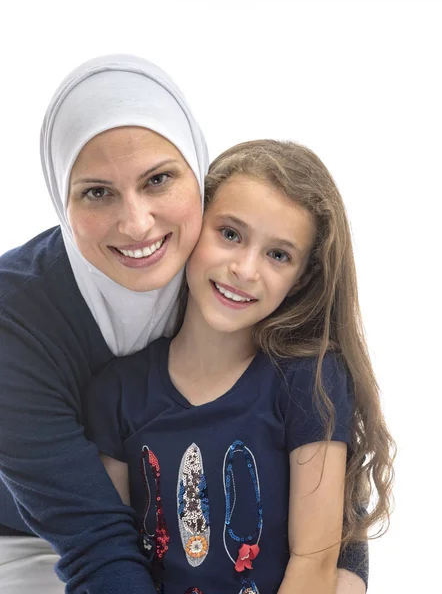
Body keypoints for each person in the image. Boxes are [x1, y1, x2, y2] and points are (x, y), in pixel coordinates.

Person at [0, 55, 369, 593]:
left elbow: (322, 505)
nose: (136, 223)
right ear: (61, 197)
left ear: (197, 181)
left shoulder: (214, 271)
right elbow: (96, 544)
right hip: (37, 535)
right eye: (96, 191)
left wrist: (344, 569)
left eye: (158, 180)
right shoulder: (18, 320)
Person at [84, 140, 395, 593]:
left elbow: (315, 560)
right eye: (230, 234)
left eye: (278, 255)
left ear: (301, 277)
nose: (245, 269)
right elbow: (112, 556)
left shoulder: (310, 379)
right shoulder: (116, 392)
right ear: (192, 226)